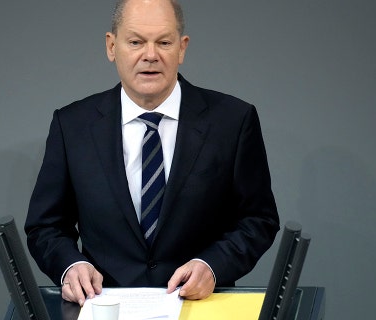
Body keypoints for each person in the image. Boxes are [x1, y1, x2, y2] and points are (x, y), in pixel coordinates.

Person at [24, 0, 279, 306]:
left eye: (164, 42)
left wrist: (213, 266)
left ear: (182, 48)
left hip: (199, 305)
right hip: (106, 306)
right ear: (111, 46)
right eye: (135, 42)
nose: (150, 55)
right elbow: (45, 226)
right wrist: (71, 266)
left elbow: (258, 219)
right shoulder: (72, 125)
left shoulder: (233, 120)